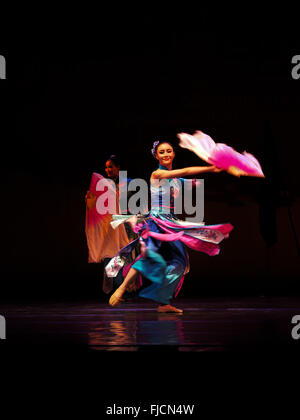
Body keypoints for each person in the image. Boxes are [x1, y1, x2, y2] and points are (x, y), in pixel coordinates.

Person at [107, 141, 233, 313]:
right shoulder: (157, 173)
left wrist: (222, 169)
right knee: (148, 256)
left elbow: (185, 180)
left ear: (173, 154)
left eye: (169, 151)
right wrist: (210, 168)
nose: (166, 154)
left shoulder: (173, 179)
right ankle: (121, 289)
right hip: (157, 222)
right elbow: (185, 171)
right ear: (156, 156)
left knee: (180, 262)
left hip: (170, 223)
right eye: (162, 152)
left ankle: (163, 302)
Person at [85, 155, 139, 296]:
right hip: (111, 226)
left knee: (125, 257)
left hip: (126, 224)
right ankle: (115, 289)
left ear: (118, 167)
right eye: (106, 167)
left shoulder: (129, 183)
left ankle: (126, 289)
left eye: (111, 166)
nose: (108, 169)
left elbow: (135, 206)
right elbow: (96, 205)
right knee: (111, 257)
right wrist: (91, 198)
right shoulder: (103, 186)